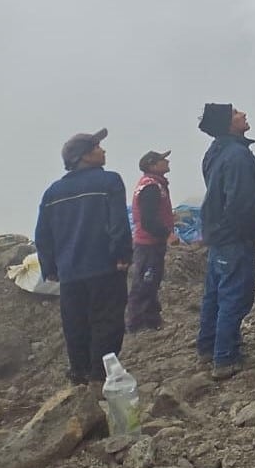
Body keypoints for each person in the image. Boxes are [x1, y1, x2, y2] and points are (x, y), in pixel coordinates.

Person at [35, 129, 132, 385]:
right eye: (97, 147)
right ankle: (101, 377)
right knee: (107, 322)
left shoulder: (52, 192)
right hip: (105, 267)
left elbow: (42, 234)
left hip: (69, 273)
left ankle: (79, 374)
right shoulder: (110, 181)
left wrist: (50, 267)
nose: (103, 150)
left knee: (76, 323)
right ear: (84, 156)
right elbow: (118, 223)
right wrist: (122, 254)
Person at [194, 103, 255, 380]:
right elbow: (240, 202)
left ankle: (207, 347)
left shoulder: (216, 152)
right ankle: (225, 357)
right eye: (237, 113)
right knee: (234, 297)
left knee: (215, 294)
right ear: (228, 123)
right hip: (234, 238)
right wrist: (251, 232)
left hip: (218, 236)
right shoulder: (237, 155)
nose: (244, 114)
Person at [125, 149, 175, 332]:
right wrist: (167, 234)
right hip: (148, 245)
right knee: (145, 283)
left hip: (149, 244)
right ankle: (136, 323)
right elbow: (148, 220)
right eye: (163, 160)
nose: (167, 162)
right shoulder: (151, 186)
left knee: (151, 282)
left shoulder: (153, 184)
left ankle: (152, 320)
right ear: (153, 165)